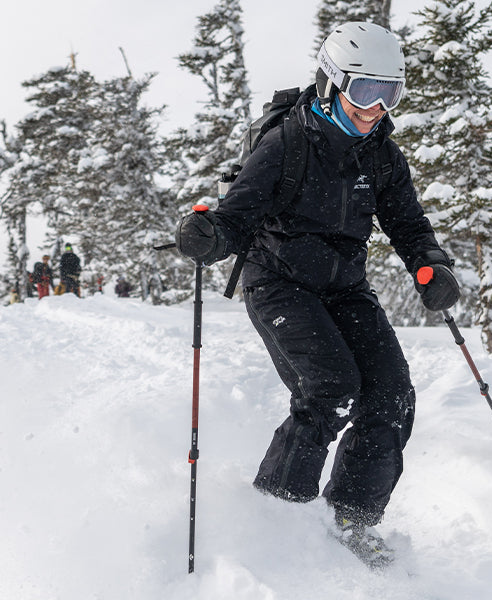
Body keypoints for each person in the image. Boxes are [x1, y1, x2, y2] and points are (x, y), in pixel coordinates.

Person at [174, 22, 460, 567]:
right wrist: (209, 236)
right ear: (332, 83)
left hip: (344, 286)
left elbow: (408, 224)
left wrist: (430, 264)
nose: (375, 108)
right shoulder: (287, 144)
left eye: (389, 94)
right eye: (364, 92)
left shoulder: (382, 155)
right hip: (277, 281)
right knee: (330, 386)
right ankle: (275, 515)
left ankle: (349, 520)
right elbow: (235, 218)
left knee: (392, 395)